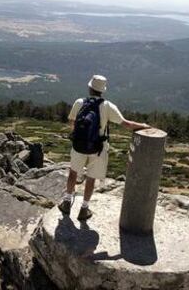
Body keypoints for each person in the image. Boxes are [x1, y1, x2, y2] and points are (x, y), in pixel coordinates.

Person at [58, 75, 151, 221]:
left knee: (73, 174)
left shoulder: (79, 102)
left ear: (90, 88)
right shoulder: (108, 106)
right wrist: (144, 126)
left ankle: (67, 202)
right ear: (103, 91)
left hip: (79, 146)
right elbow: (126, 124)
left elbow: (71, 122)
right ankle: (84, 209)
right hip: (98, 148)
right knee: (91, 178)